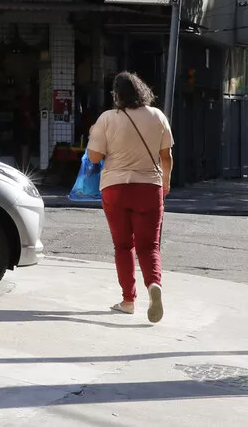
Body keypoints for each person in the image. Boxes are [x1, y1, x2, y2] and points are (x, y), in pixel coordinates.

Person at [86, 72, 174, 323]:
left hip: (115, 188)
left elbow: (93, 157)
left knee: (123, 246)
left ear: (117, 95)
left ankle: (128, 300)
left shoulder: (107, 119)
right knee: (150, 246)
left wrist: (94, 133)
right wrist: (165, 182)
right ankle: (154, 285)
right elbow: (166, 156)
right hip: (149, 187)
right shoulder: (157, 116)